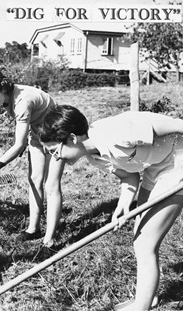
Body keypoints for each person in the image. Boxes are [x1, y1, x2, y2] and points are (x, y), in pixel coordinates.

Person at [38, 104, 183, 311]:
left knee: (145, 243)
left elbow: (177, 124)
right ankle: (147, 296)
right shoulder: (93, 155)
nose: (56, 157)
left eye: (55, 151)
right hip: (156, 167)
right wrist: (123, 205)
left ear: (72, 138)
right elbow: (129, 176)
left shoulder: (118, 132)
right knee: (139, 236)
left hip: (178, 162)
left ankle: (142, 306)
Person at [0, 68, 65, 244]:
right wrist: (24, 141)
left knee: (51, 185)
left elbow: (17, 145)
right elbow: (22, 136)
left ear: (4, 89)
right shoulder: (7, 98)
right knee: (34, 179)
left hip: (56, 132)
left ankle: (50, 240)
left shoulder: (21, 102)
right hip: (37, 131)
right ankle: (34, 229)